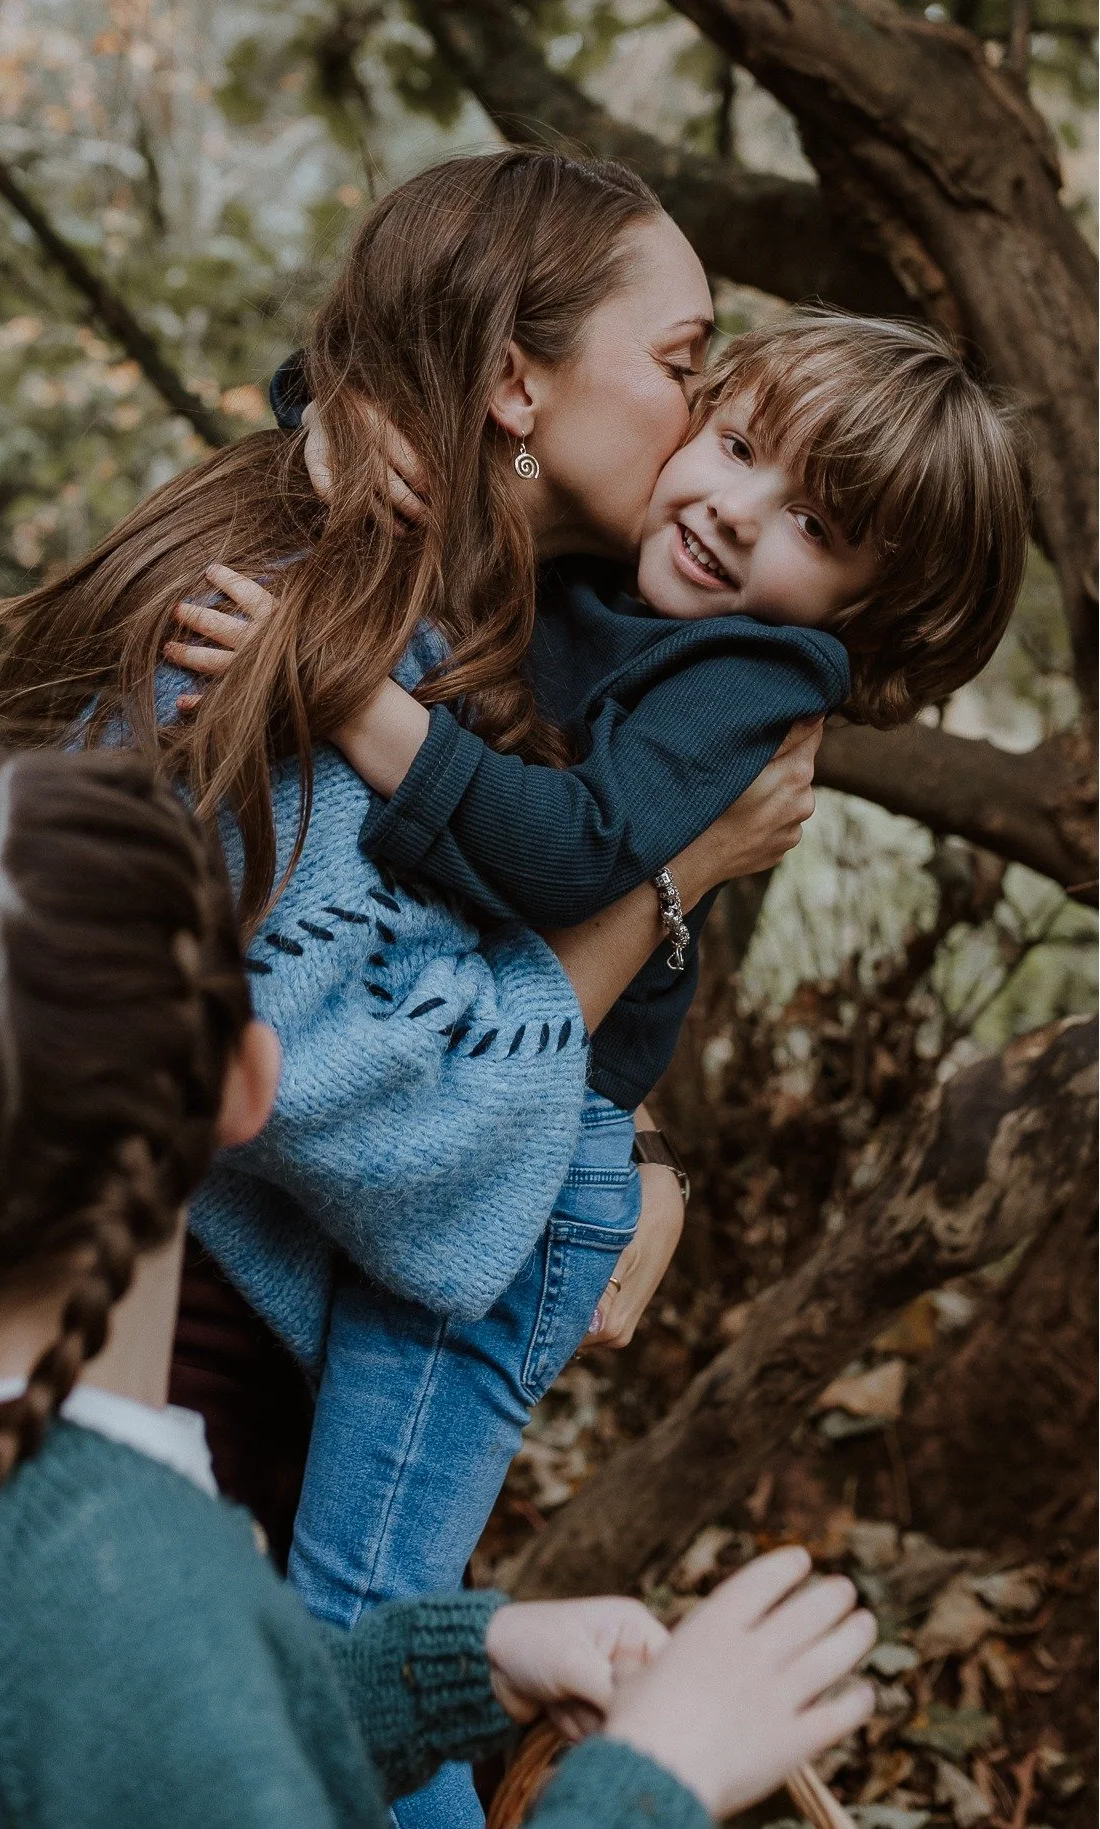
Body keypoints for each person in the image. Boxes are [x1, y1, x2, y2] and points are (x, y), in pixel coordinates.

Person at [0, 748, 878, 1829]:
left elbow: (145, 1755)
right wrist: (656, 1775)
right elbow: (157, 1699)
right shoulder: (133, 1579)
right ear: (246, 1082)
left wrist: (453, 1664)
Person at [172, 306, 1028, 1826]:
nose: (731, 508)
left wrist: (347, 696)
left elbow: (570, 856)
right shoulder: (608, 578)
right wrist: (330, 403)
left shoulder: (753, 668)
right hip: (464, 1125)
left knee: (370, 1622)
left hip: (523, 1162)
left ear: (867, 602)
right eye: (739, 442)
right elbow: (445, 463)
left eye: (812, 524)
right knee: (360, 1616)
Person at [0, 144, 820, 1584]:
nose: (713, 416)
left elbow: (449, 966)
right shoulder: (273, 640)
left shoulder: (478, 620)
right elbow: (385, 1124)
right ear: (516, 386)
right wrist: (678, 882)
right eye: (685, 361)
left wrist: (632, 1138)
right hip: (139, 1383)